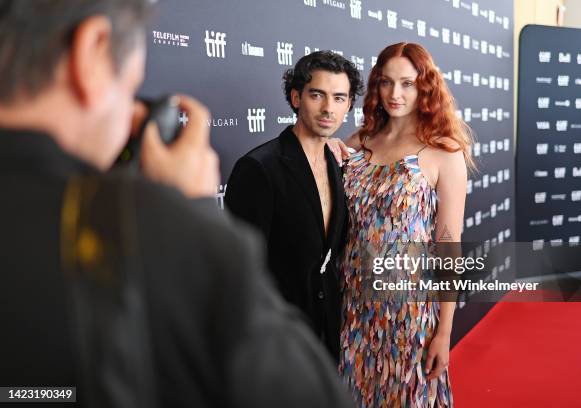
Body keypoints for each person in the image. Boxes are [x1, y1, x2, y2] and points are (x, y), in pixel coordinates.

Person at [0, 1, 353, 407]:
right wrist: (192, 215)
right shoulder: (149, 224)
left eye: (340, 98)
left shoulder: (340, 160)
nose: (130, 113)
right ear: (92, 51)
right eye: (130, 85)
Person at [336, 42, 472, 407]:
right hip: (354, 304)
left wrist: (444, 330)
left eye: (408, 84)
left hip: (410, 309)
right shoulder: (356, 143)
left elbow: (449, 243)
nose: (395, 94)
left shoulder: (444, 151)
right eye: (386, 82)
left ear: (424, 87)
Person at [224, 51, 363, 362]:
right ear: (296, 97)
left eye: (340, 98)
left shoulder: (338, 163)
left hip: (327, 328)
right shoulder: (259, 168)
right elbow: (239, 270)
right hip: (276, 338)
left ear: (349, 106)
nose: (329, 108)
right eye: (318, 95)